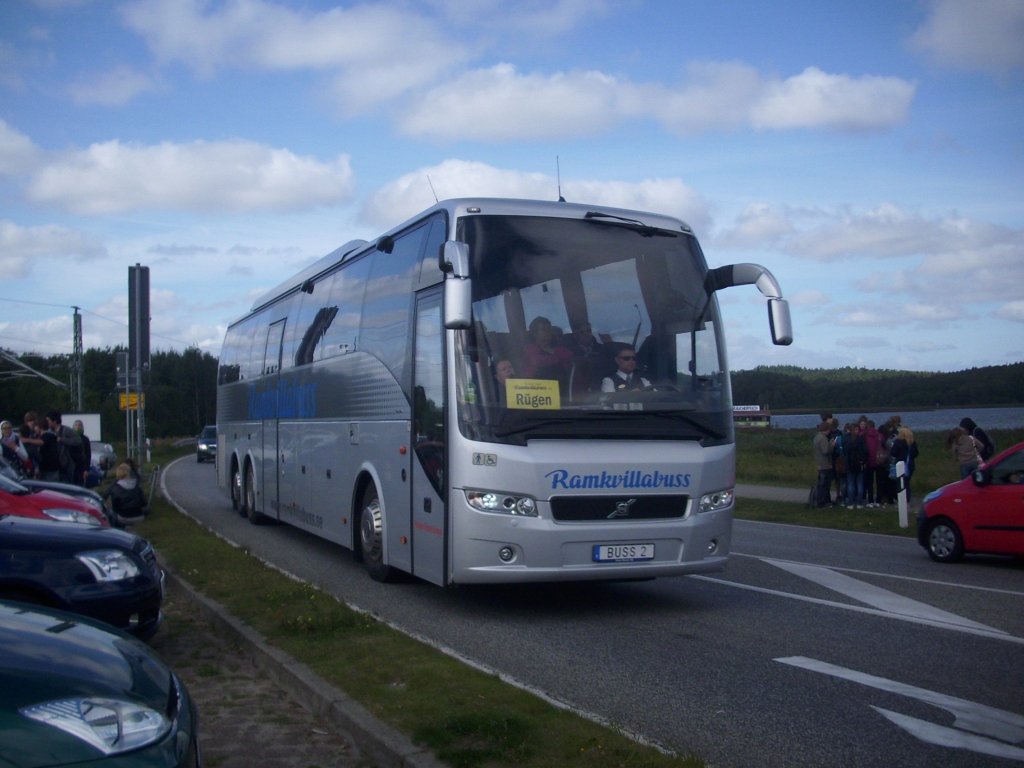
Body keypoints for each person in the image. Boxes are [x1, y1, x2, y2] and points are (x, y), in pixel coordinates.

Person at [845, 422, 868, 508]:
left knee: (851, 484)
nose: (857, 431)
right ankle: (859, 503)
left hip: (850, 464)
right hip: (859, 464)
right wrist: (864, 460)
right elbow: (865, 452)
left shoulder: (847, 439)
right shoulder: (861, 439)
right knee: (859, 484)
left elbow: (845, 452)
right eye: (856, 429)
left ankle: (851, 503)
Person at [813, 421, 834, 507]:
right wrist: (832, 445)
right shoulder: (823, 438)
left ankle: (824, 500)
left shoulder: (816, 437)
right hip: (825, 464)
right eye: (829, 430)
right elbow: (825, 451)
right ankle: (822, 501)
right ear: (826, 430)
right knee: (825, 484)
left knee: (822, 484)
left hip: (819, 463)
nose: (829, 431)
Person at [72, 419, 92, 487]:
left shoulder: (85, 439)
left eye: (79, 425)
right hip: (71, 466)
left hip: (81, 467)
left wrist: (86, 469)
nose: (78, 427)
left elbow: (88, 455)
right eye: (76, 425)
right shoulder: (70, 438)